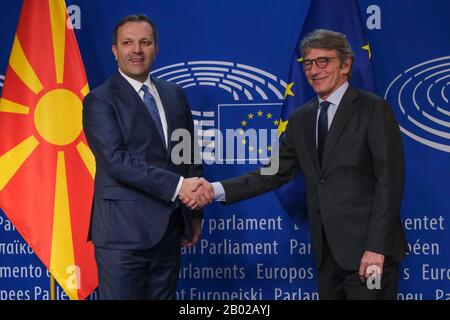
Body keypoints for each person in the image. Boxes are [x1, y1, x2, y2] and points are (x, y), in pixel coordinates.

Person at [182, 29, 408, 300]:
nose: (314, 70)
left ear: (346, 64)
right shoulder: (301, 119)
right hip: (327, 257)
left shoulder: (373, 109)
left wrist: (376, 248)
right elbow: (271, 173)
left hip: (369, 256)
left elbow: (389, 181)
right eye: (308, 64)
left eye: (323, 61)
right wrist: (214, 189)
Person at [83, 14, 209, 300]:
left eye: (145, 42)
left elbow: (188, 152)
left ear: (156, 48)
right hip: (122, 236)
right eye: (127, 43)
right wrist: (179, 187)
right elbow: (115, 160)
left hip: (170, 229)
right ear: (115, 50)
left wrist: (194, 213)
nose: (136, 50)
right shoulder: (99, 100)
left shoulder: (175, 94)